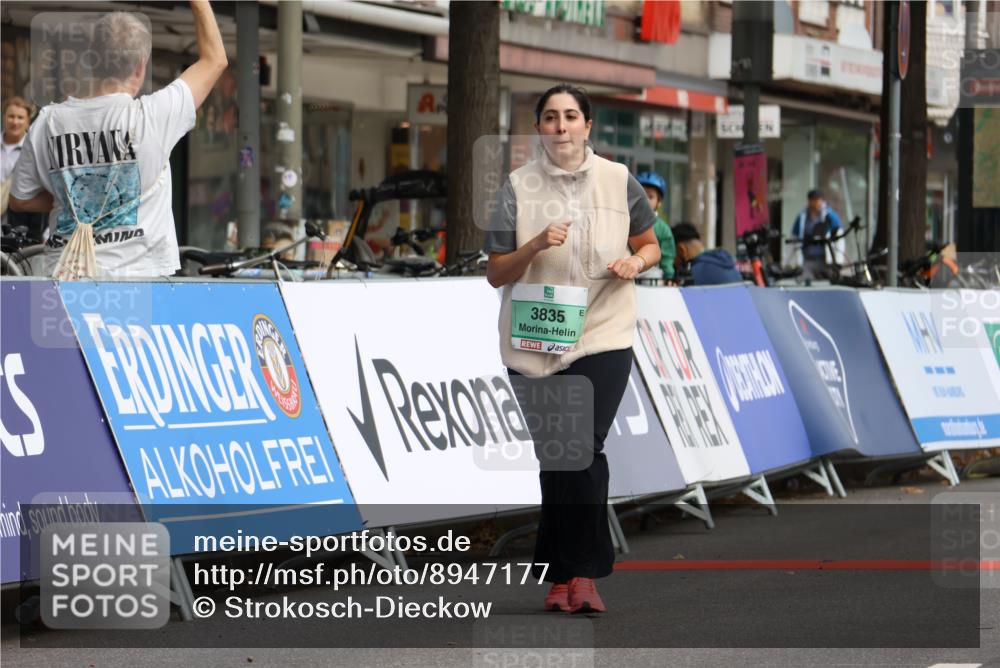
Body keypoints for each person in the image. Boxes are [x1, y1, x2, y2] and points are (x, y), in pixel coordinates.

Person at [484, 84, 660, 614]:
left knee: (581, 447)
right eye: (550, 118)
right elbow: (496, 272)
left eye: (570, 117)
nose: (561, 127)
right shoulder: (517, 187)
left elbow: (650, 244)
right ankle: (560, 576)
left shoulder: (618, 179)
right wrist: (536, 244)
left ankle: (581, 575)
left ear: (587, 126)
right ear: (538, 127)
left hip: (603, 332)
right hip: (534, 340)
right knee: (557, 456)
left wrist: (636, 262)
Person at [9, 1, 227, 278]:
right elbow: (215, 60)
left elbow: (20, 199)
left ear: (91, 59)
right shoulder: (153, 116)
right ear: (141, 66)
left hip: (65, 275)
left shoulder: (47, 122)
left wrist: (77, 197)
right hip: (138, 277)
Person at [0, 97, 46, 239]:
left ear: (27, 121)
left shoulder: (35, 150)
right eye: (11, 116)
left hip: (22, 229)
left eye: (20, 117)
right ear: (4, 117)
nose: (15, 122)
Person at [790, 189, 844, 281]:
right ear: (809, 201)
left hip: (825, 260)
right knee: (807, 282)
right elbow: (794, 237)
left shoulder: (830, 215)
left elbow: (839, 237)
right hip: (807, 259)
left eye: (818, 200)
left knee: (825, 282)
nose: (816, 203)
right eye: (813, 200)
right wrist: (793, 261)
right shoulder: (802, 216)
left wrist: (838, 260)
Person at [635, 171, 676, 283]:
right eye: (642, 195)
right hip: (626, 268)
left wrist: (669, 276)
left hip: (650, 274)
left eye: (651, 196)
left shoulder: (662, 228)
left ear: (659, 202)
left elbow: (667, 256)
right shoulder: (626, 220)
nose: (646, 199)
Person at [672, 222, 743, 286]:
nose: (674, 262)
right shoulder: (731, 267)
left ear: (681, 249)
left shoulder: (692, 276)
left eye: (672, 256)